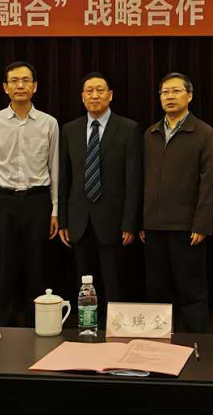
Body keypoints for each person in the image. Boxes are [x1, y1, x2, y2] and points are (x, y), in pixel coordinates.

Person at [0, 61, 60, 327]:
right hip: (3, 202)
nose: (20, 85)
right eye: (14, 81)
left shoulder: (49, 123)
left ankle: (40, 326)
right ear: (5, 87)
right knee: (5, 269)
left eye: (25, 80)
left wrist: (55, 210)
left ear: (35, 87)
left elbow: (55, 169)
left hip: (38, 201)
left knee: (38, 268)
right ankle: (4, 327)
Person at [141, 72, 213, 333]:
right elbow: (140, 180)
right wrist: (142, 220)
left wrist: (202, 224)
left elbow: (210, 183)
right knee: (157, 290)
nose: (170, 97)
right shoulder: (150, 133)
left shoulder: (203, 132)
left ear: (190, 96)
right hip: (153, 228)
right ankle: (158, 342)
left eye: (176, 91)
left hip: (187, 229)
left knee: (191, 291)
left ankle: (196, 342)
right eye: (165, 92)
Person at [58, 72, 142, 310]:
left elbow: (133, 180)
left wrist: (130, 223)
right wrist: (63, 220)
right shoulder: (70, 129)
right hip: (79, 220)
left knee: (114, 281)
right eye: (89, 91)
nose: (94, 95)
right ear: (82, 97)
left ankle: (114, 326)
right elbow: (64, 178)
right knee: (83, 284)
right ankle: (88, 325)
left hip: (113, 221)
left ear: (110, 95)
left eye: (100, 90)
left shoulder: (128, 128)